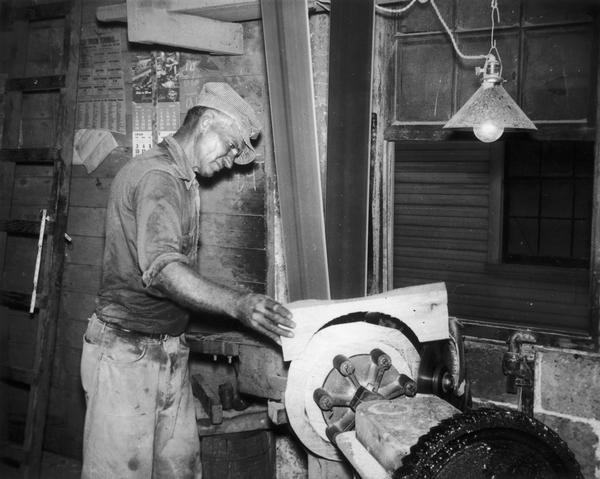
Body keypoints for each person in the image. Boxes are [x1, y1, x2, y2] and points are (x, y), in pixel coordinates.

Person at [80, 82, 296, 479]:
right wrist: (238, 304)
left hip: (166, 349)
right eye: (231, 146)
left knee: (179, 470)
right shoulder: (157, 177)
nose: (231, 160)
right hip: (127, 353)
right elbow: (162, 269)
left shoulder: (182, 180)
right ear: (208, 120)